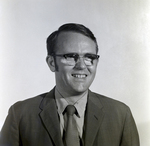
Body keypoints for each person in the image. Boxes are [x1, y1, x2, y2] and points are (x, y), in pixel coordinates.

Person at [0, 23, 139, 146]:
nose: (81, 66)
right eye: (71, 56)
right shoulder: (20, 115)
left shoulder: (121, 115)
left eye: (89, 57)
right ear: (52, 63)